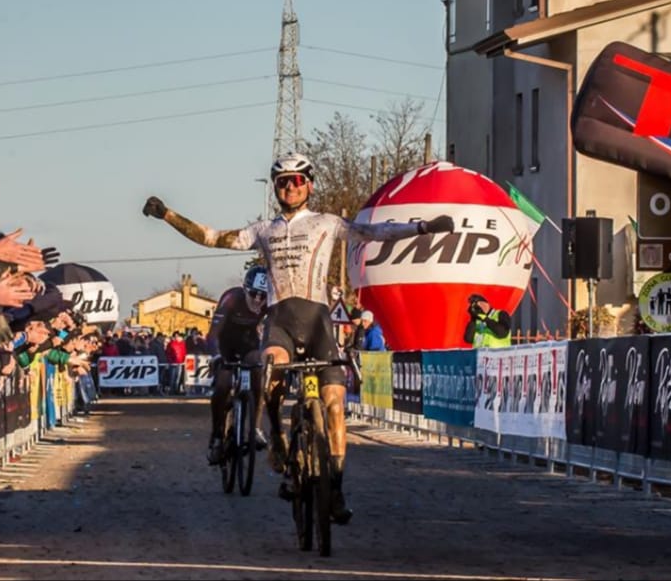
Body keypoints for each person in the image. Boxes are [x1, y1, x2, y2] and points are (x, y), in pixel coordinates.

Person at [143, 152, 454, 524]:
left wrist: (423, 228)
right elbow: (211, 237)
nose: (290, 187)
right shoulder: (263, 229)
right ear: (275, 187)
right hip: (281, 321)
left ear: (309, 184)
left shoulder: (327, 222)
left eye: (297, 180)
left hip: (319, 320)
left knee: (335, 406)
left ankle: (335, 491)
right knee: (269, 368)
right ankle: (275, 437)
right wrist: (168, 215)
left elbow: (374, 233)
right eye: (282, 181)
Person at [204, 265, 270, 465]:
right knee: (223, 386)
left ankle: (256, 427)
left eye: (262, 295)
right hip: (225, 343)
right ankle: (217, 435)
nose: (258, 299)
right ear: (245, 289)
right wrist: (216, 356)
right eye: (253, 294)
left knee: (258, 370)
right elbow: (213, 334)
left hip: (248, 342)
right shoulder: (231, 299)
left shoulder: (268, 304)